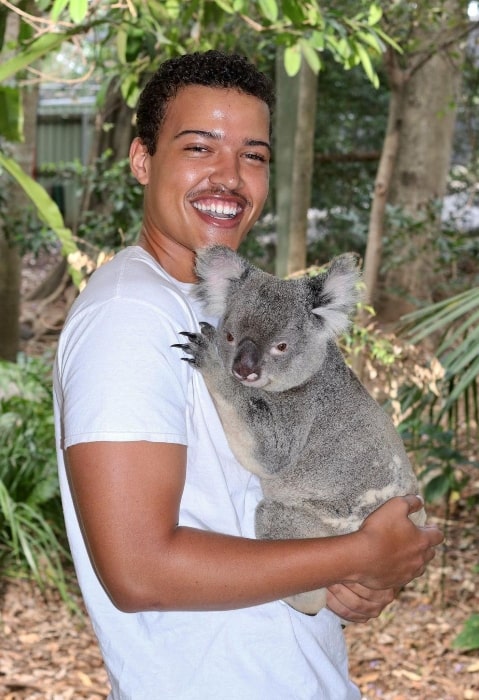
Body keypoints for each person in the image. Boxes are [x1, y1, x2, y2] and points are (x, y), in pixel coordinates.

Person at [53, 50, 443, 700]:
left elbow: (252, 503)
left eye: (253, 155)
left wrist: (352, 566)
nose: (229, 177)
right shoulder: (130, 313)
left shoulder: (225, 304)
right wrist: (360, 555)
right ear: (142, 159)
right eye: (199, 148)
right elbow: (138, 569)